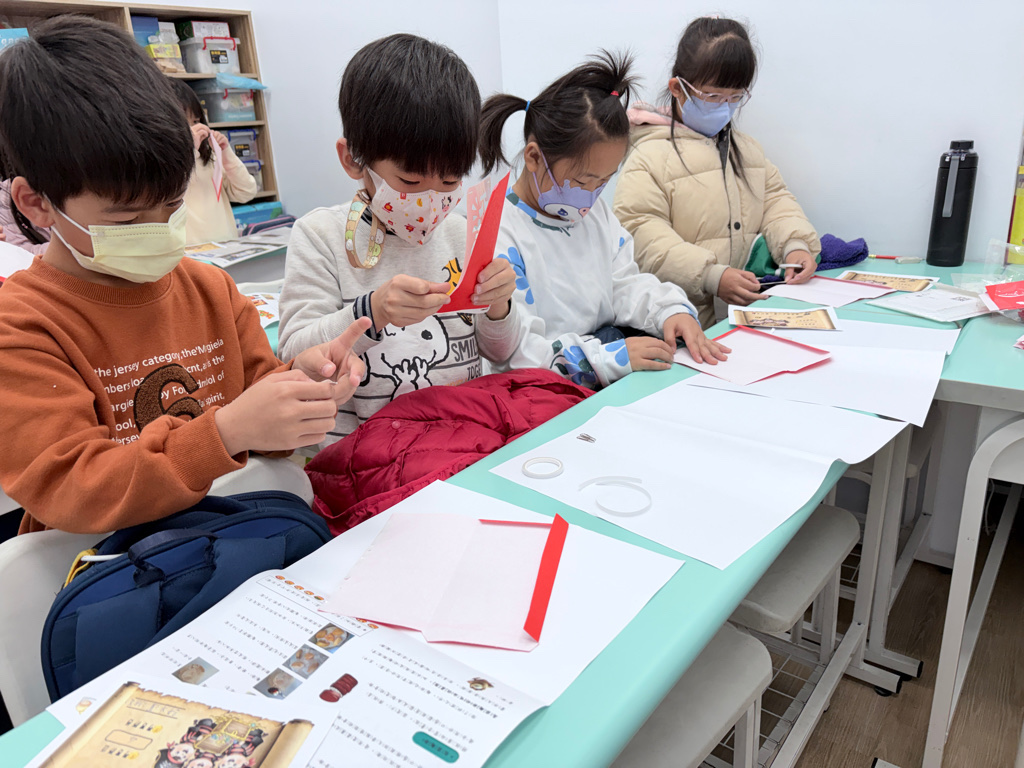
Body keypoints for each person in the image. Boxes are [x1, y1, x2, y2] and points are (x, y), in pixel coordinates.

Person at [0, 16, 367, 534]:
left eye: (172, 205)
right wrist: (226, 432)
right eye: (127, 219)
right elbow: (72, 489)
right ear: (37, 203)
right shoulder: (21, 326)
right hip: (106, 566)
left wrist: (300, 388)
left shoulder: (209, 289)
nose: (158, 229)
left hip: (235, 535)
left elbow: (264, 420)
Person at [279, 33, 521, 446]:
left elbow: (501, 353)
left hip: (462, 442)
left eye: (450, 181)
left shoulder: (463, 233)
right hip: (364, 457)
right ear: (353, 160)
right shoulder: (320, 236)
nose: (431, 198)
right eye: (409, 181)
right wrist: (372, 311)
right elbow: (294, 356)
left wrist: (499, 306)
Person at [478, 52, 727, 389]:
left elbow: (623, 283)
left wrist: (669, 310)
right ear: (534, 157)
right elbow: (516, 354)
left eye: (603, 182)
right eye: (582, 181)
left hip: (604, 358)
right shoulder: (500, 233)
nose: (590, 197)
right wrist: (609, 358)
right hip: (543, 390)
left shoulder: (592, 214)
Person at [613, 17, 821, 328]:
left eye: (735, 97)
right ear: (678, 88)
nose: (724, 107)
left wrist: (795, 246)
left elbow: (776, 202)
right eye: (712, 96)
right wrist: (710, 275)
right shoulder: (649, 155)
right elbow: (641, 232)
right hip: (682, 323)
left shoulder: (746, 150)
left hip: (743, 320)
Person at [169, 79, 257, 243]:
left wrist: (226, 154)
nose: (195, 129)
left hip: (225, 248)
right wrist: (189, 150)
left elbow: (246, 192)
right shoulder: (162, 166)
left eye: (196, 121)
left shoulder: (210, 157)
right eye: (184, 123)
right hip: (188, 252)